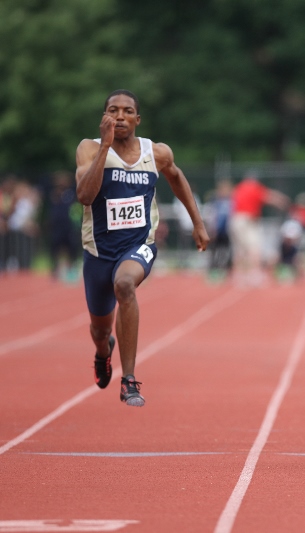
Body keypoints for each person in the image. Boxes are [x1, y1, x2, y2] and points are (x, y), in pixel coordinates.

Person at [75, 89, 209, 406]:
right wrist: (105, 146)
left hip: (139, 245)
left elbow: (176, 178)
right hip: (98, 252)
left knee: (125, 285)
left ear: (138, 118)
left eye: (126, 111)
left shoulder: (156, 152)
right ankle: (103, 351)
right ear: (104, 117)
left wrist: (198, 223)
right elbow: (84, 195)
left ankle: (129, 379)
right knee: (98, 328)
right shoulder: (89, 149)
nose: (119, 116)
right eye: (112, 110)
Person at [228, 173, 289, 286]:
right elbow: (269, 196)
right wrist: (283, 201)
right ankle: (254, 274)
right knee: (254, 248)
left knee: (239, 249)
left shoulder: (239, 187)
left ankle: (239, 276)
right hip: (249, 220)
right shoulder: (255, 187)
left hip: (236, 219)